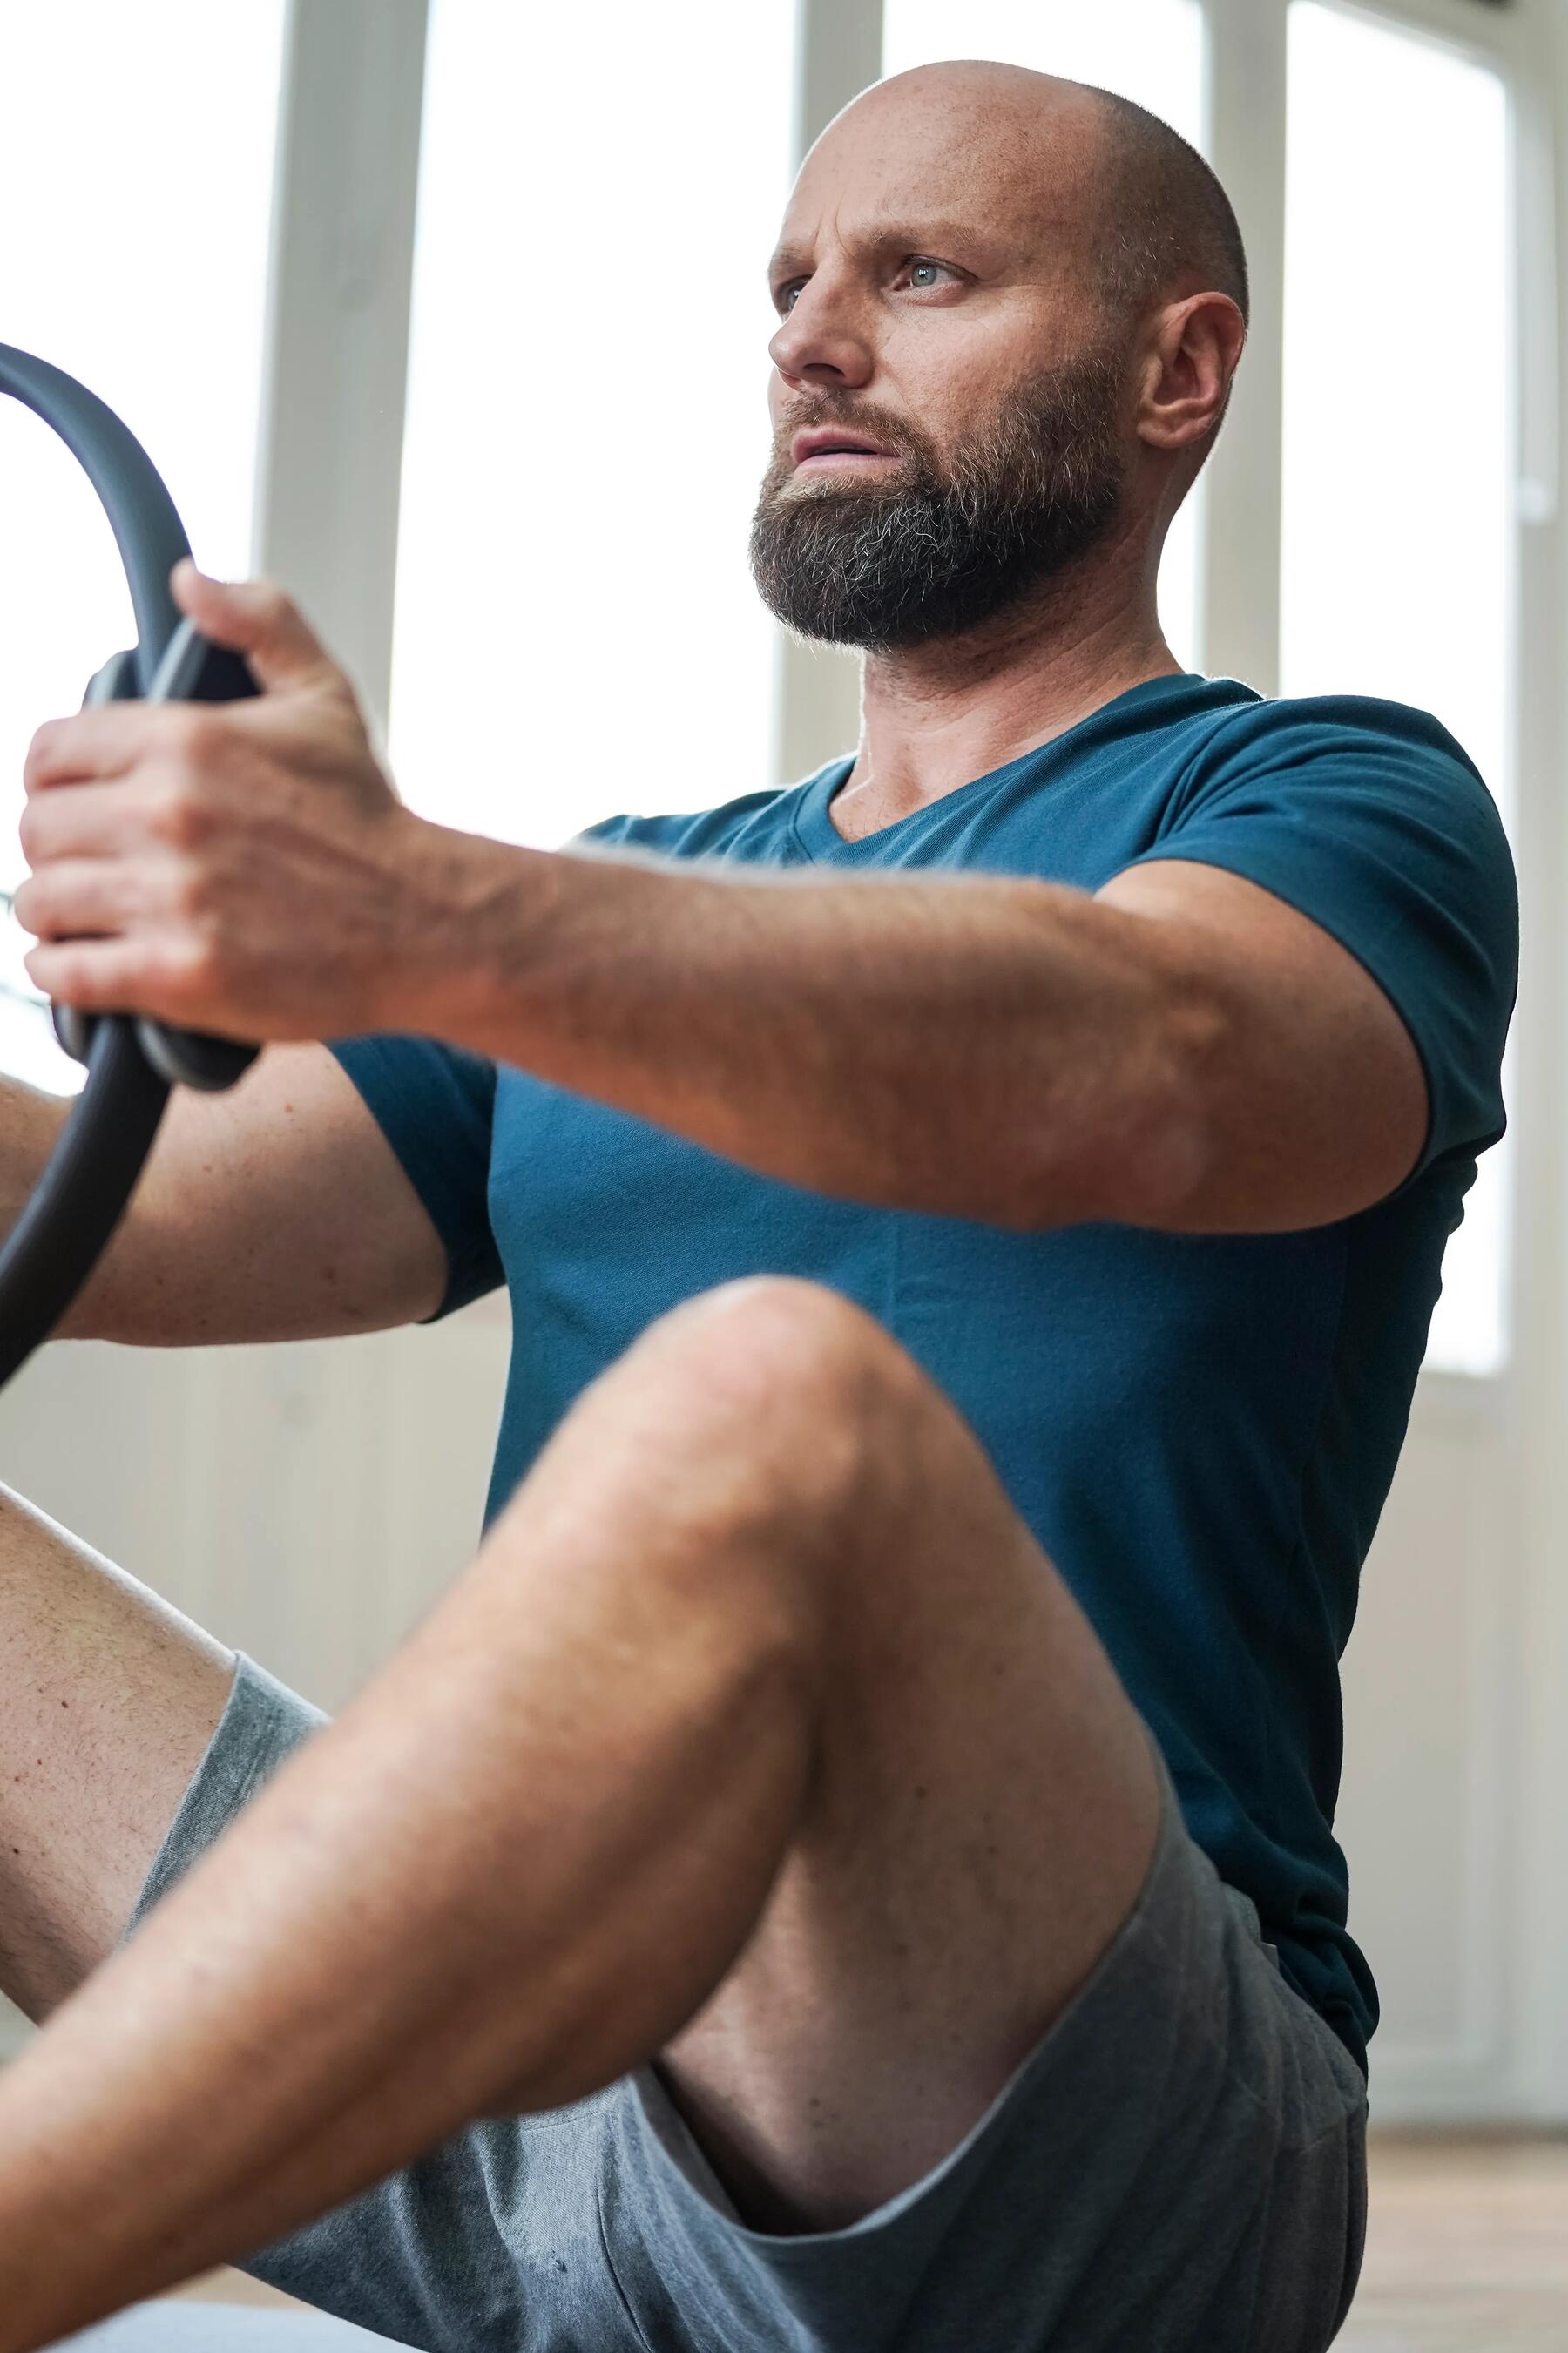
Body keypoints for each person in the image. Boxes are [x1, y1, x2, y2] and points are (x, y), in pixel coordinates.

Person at [0, 57, 1516, 2353]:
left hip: (1071, 2141)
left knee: (773, 1413)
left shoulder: (1329, 799)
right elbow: (113, 1216)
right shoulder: (633, 902)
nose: (813, 338)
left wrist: (406, 904)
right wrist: (419, 924)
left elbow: (1157, 1068)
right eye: (791, 287)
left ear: (1175, 370)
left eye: (922, 275)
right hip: (519, 2099)